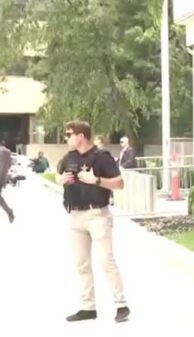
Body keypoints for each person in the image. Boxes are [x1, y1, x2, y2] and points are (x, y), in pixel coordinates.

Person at [56, 121, 130, 323]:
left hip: (97, 213)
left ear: (81, 136)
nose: (66, 137)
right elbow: (58, 175)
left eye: (69, 134)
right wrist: (60, 179)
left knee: (106, 261)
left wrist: (95, 180)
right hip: (75, 215)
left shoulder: (101, 157)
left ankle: (121, 305)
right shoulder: (69, 157)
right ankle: (88, 307)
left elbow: (119, 183)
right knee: (81, 263)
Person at [0, 140, 15, 223]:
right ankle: (9, 211)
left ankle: (9, 211)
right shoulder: (8, 152)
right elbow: (9, 165)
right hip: (2, 178)